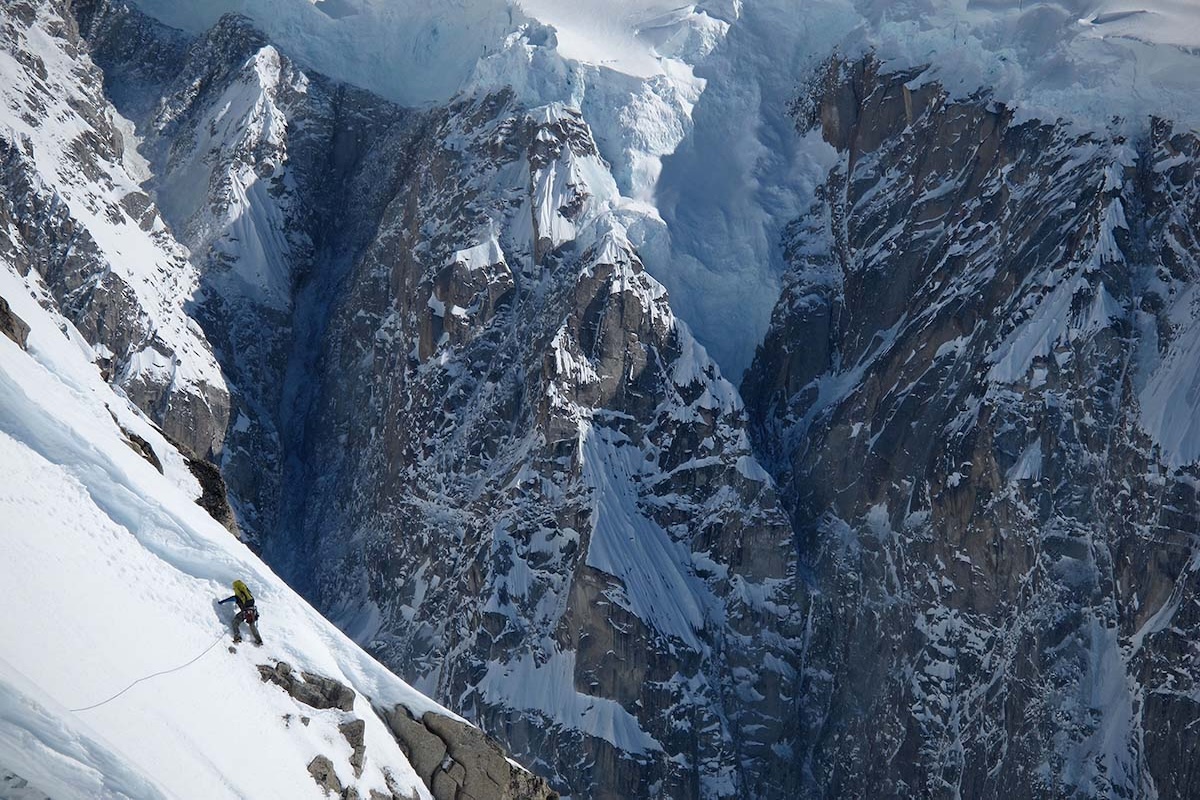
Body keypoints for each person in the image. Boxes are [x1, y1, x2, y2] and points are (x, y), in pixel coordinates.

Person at [219, 580, 263, 645]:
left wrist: (220, 602)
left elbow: (228, 600)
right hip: (253, 611)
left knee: (235, 622)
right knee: (252, 624)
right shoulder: (248, 595)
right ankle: (259, 640)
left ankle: (238, 637)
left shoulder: (237, 597)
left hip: (245, 612)